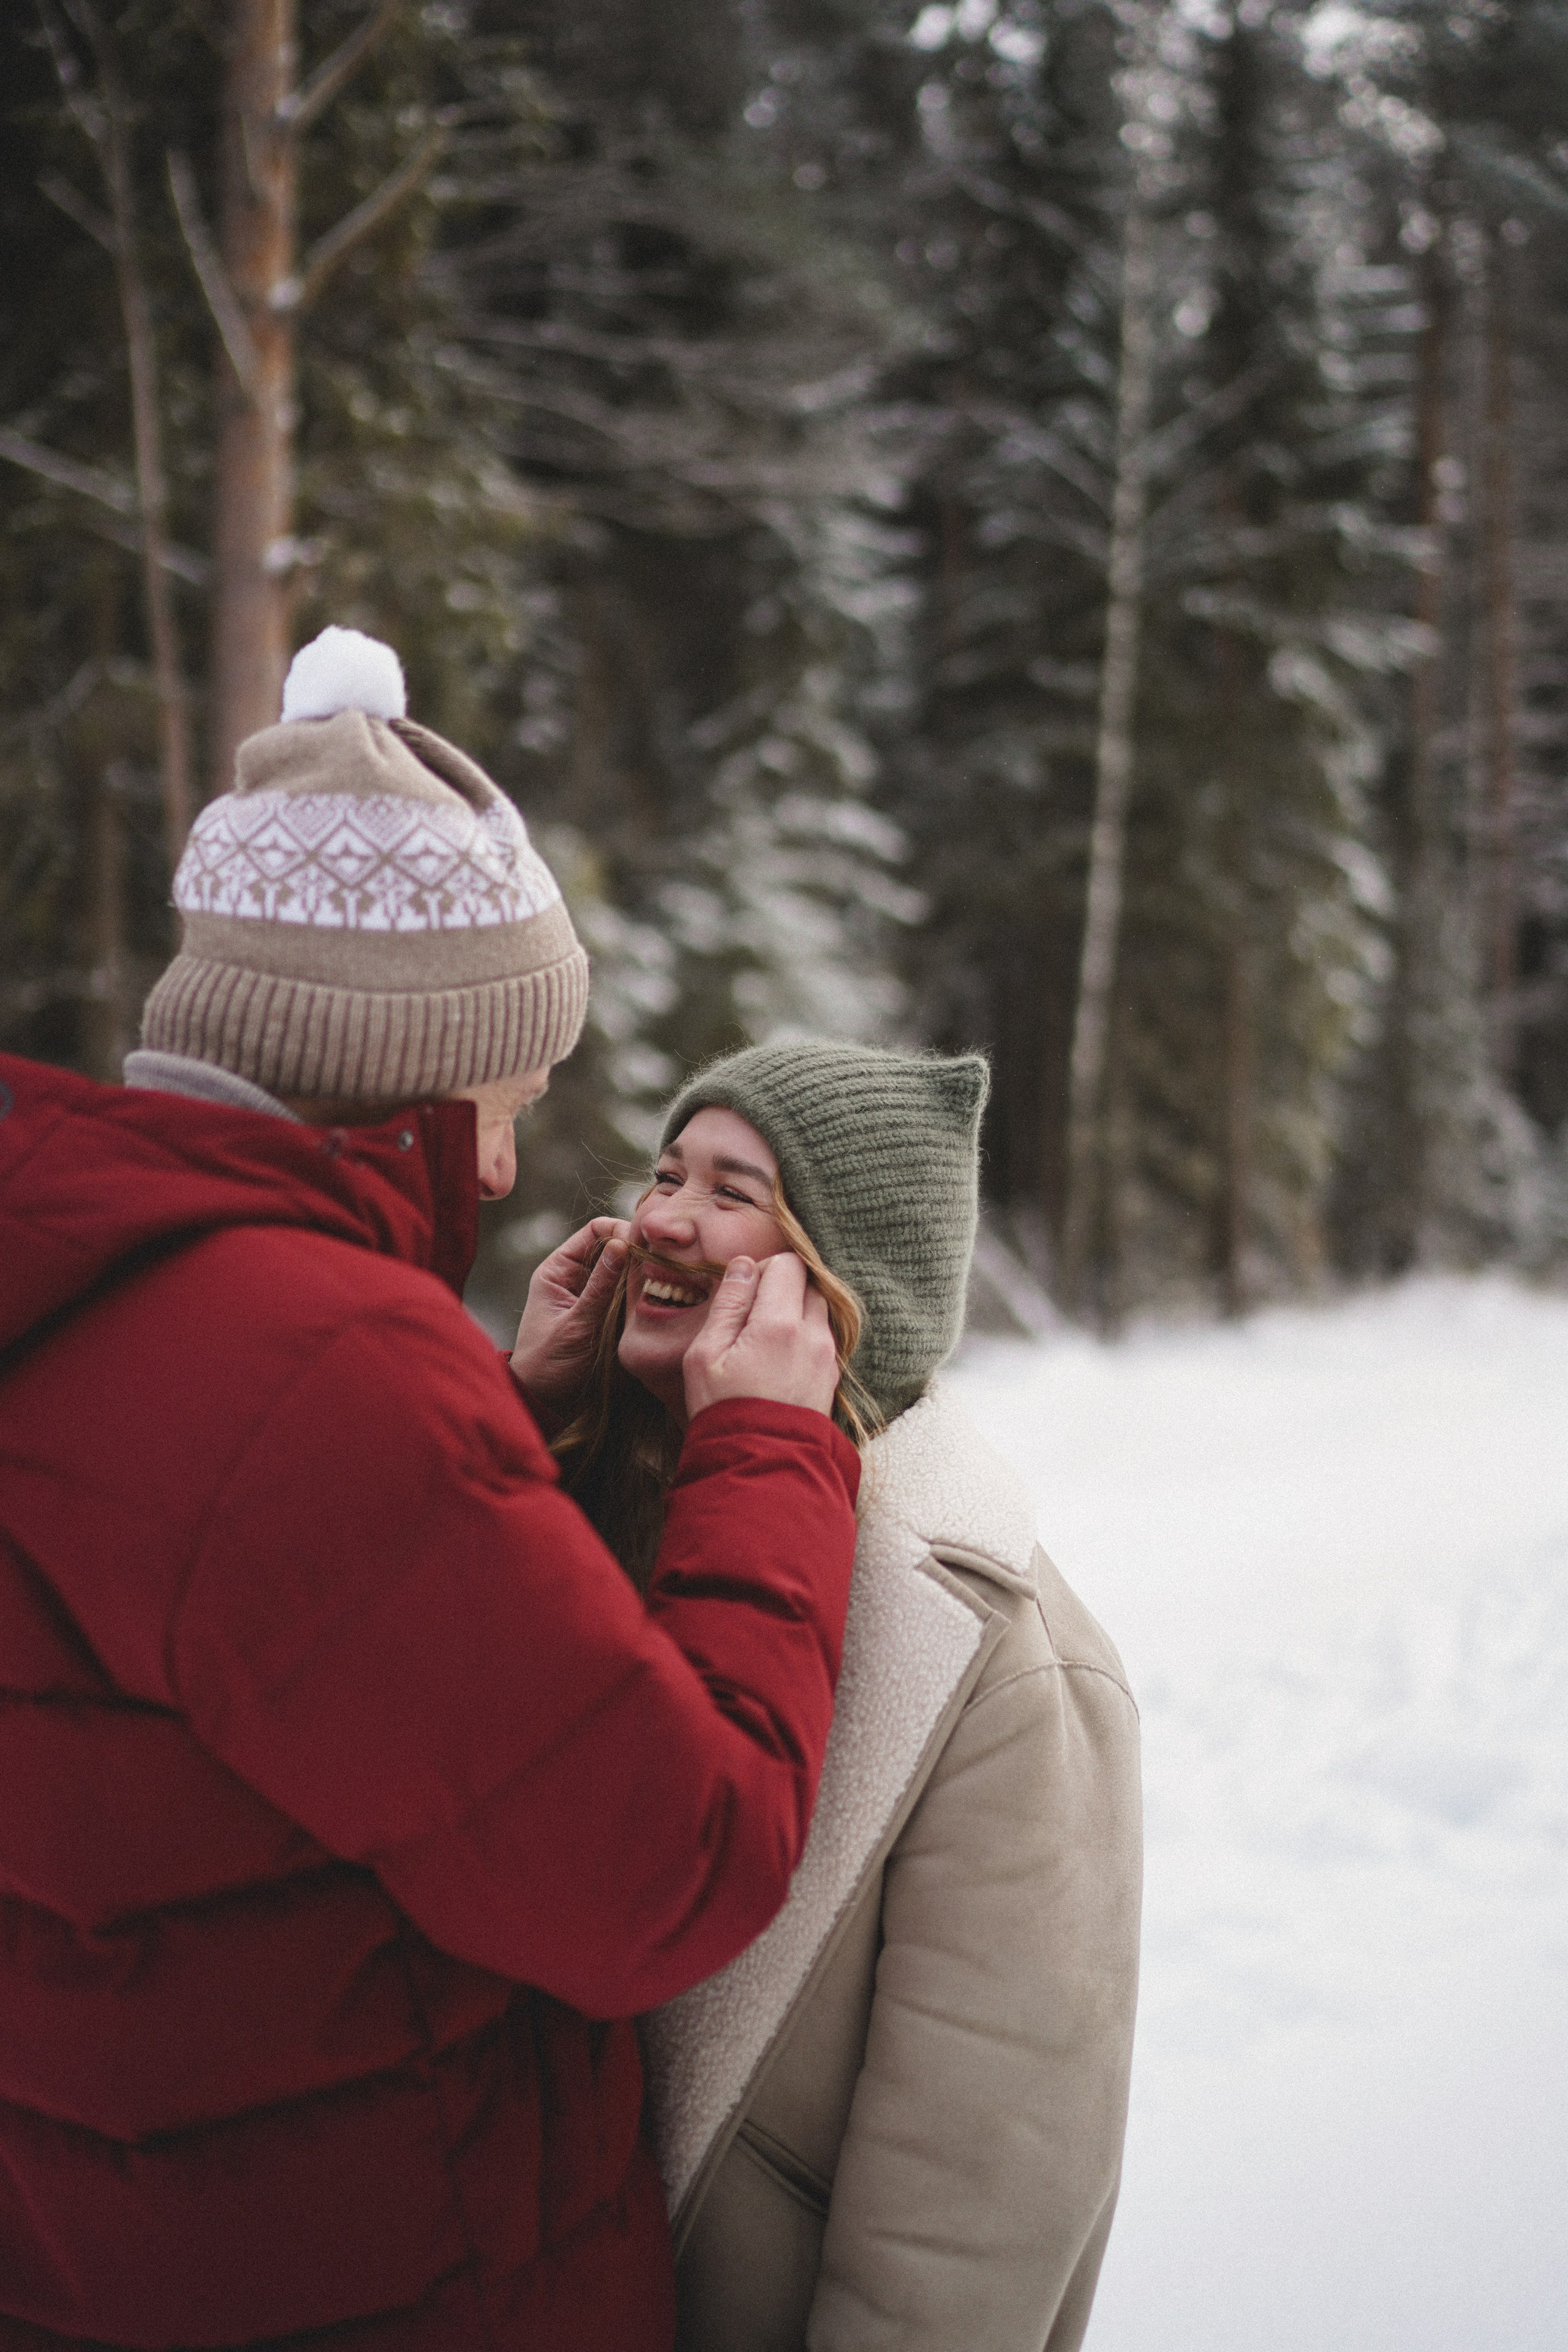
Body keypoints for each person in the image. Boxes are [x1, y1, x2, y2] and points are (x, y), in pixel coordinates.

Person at [0, 630, 861, 2352]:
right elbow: (666, 1873)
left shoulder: (79, 1276)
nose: (511, 1158)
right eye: (508, 1097)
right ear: (409, 1072)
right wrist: (771, 1450)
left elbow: (252, 1651)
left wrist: (486, 1437)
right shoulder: (324, 1379)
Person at [552, 1039, 1143, 2352]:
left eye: (730, 1191)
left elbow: (978, 2201)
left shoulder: (1002, 1658)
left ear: (841, 1278)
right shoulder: (599, 1509)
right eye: (665, 1174)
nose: (660, 1219)